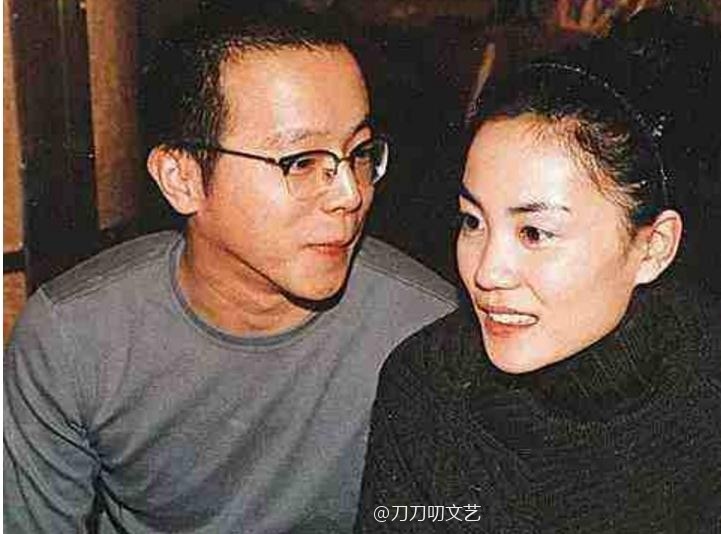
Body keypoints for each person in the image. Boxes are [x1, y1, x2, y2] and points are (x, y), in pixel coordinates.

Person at [3, 3, 456, 532]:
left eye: (358, 153)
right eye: (301, 161)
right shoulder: (74, 339)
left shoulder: (431, 333)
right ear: (182, 179)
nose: (349, 194)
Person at [356, 59, 721, 531]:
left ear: (653, 248)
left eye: (535, 232)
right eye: (473, 221)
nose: (487, 271)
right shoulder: (428, 383)